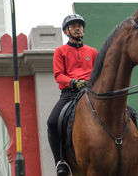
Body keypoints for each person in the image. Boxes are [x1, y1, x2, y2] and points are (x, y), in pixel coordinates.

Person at [47, 14, 98, 176]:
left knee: (127, 112)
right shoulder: (60, 51)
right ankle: (61, 161)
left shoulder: (93, 52)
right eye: (74, 26)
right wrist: (73, 82)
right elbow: (58, 75)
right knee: (52, 122)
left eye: (80, 26)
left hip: (92, 92)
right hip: (70, 93)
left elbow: (99, 73)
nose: (78, 28)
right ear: (66, 31)